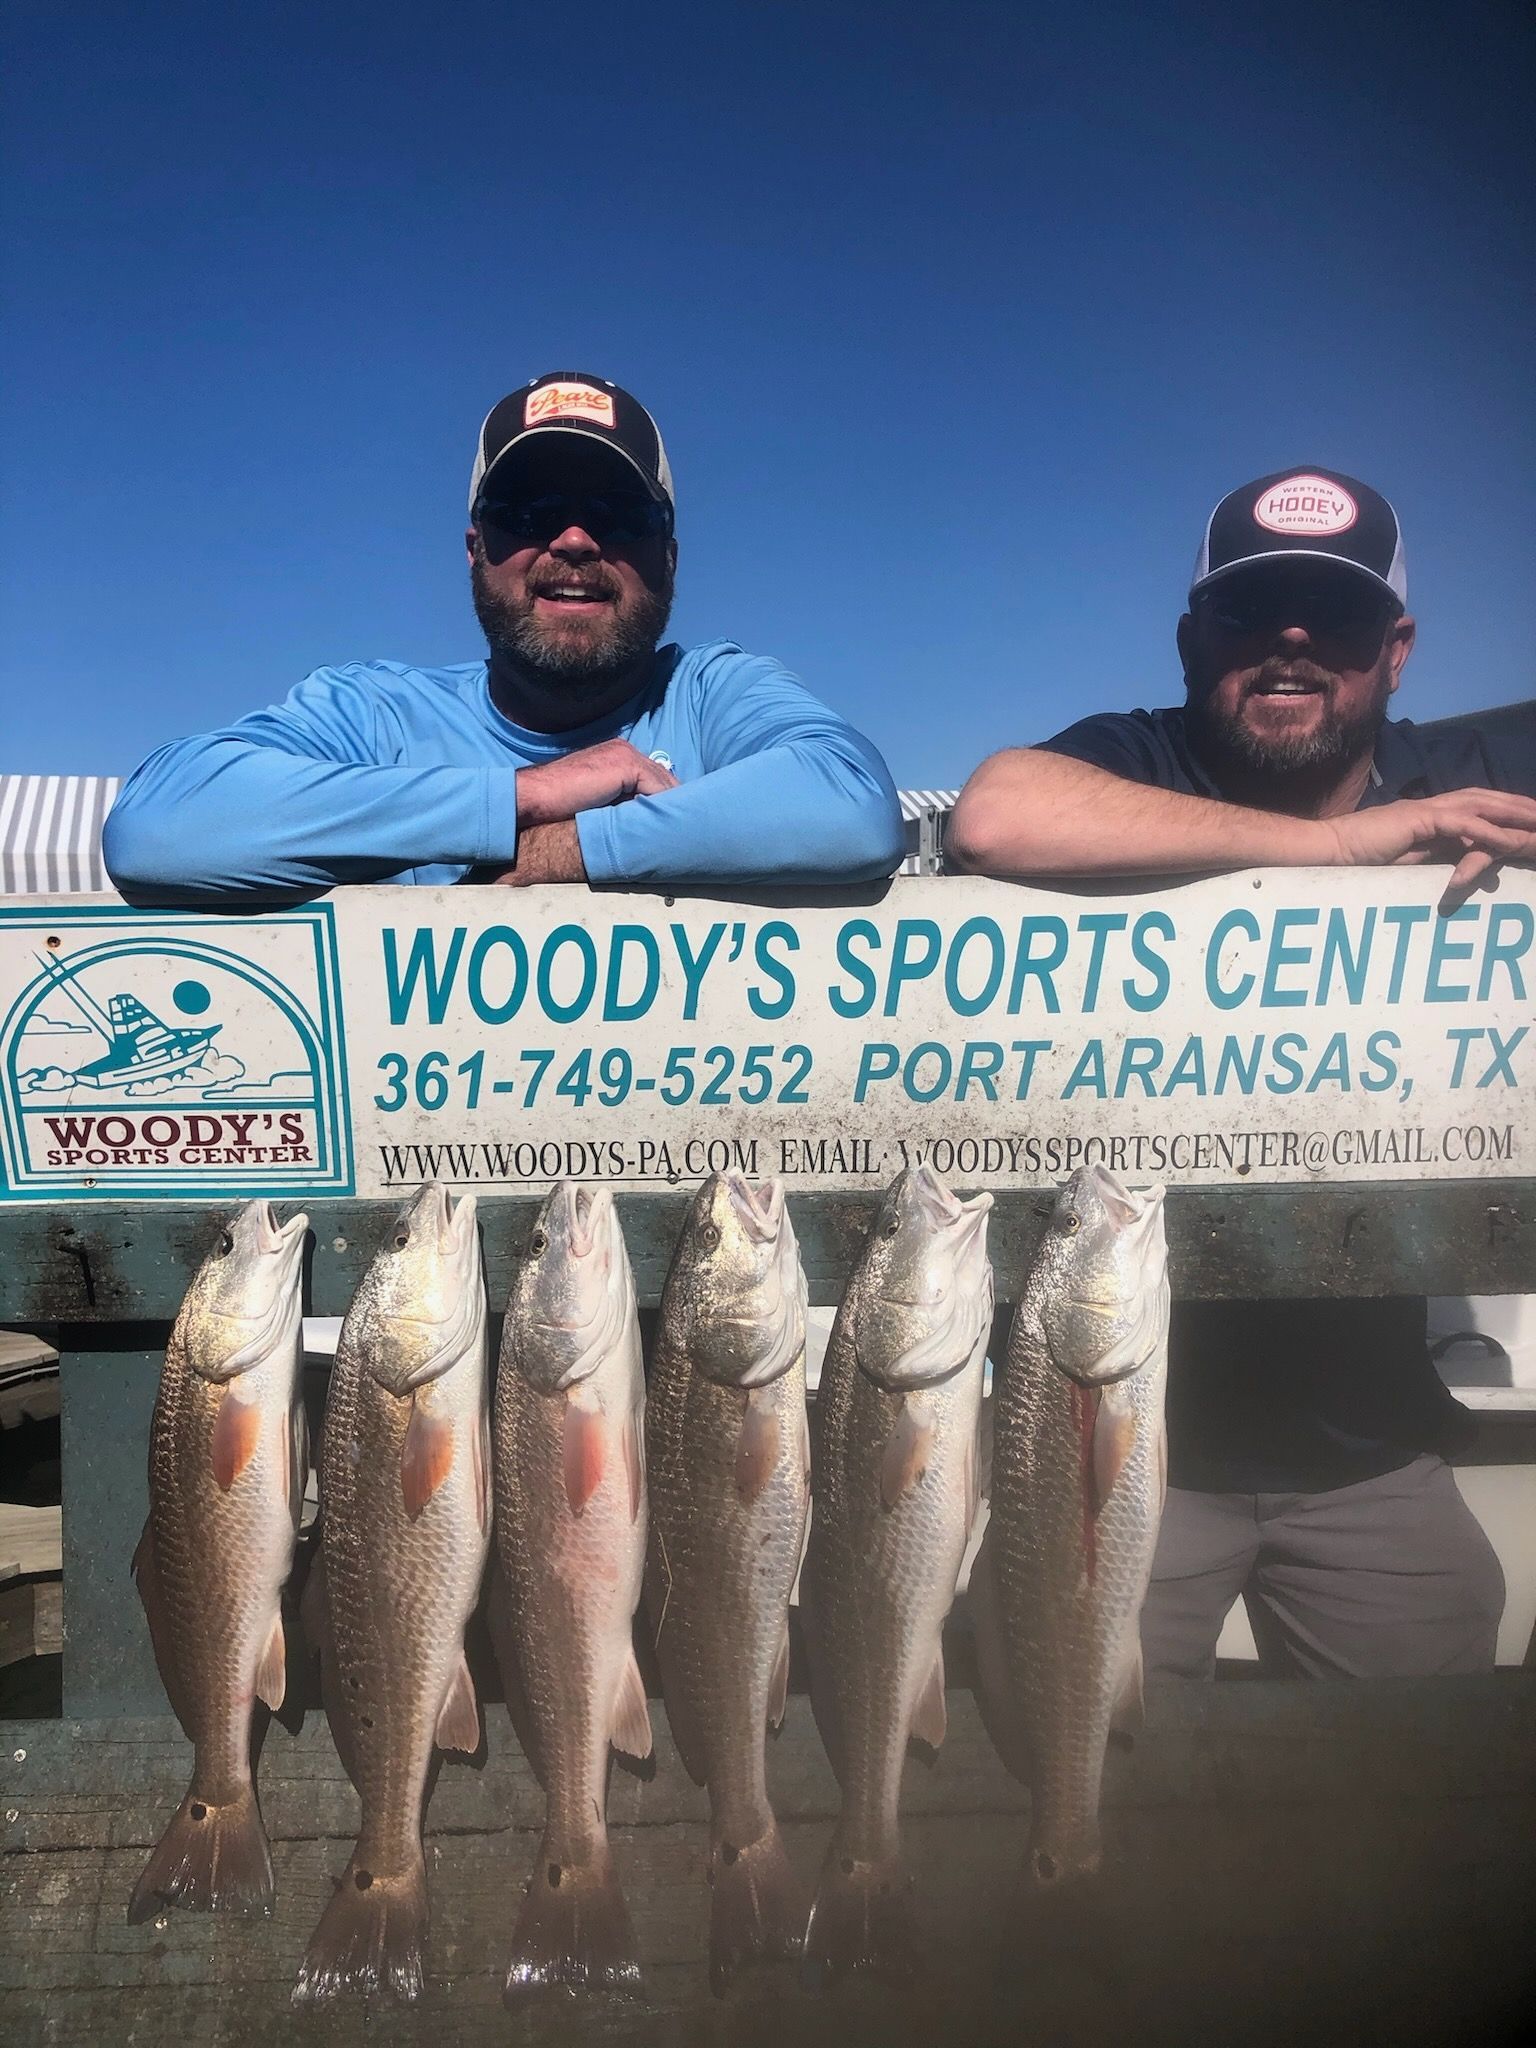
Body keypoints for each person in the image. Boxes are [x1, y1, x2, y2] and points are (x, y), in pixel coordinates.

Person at [950, 466, 1536, 1681]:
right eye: (1250, 611)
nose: (1290, 640)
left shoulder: (1466, 767)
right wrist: (1336, 847)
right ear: (1190, 639)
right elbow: (996, 813)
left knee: (1429, 1812)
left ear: (1399, 648)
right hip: (1103, 1440)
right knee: (1044, 1774)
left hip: (1373, 1450)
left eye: (1336, 614)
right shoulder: (1139, 757)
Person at [104, 372, 905, 899]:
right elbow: (159, 827)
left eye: (621, 516)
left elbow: (851, 808)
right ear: (474, 549)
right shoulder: (373, 711)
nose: (576, 543)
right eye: (526, 513)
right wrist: (522, 795)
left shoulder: (711, 693)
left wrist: (561, 849)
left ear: (668, 556)